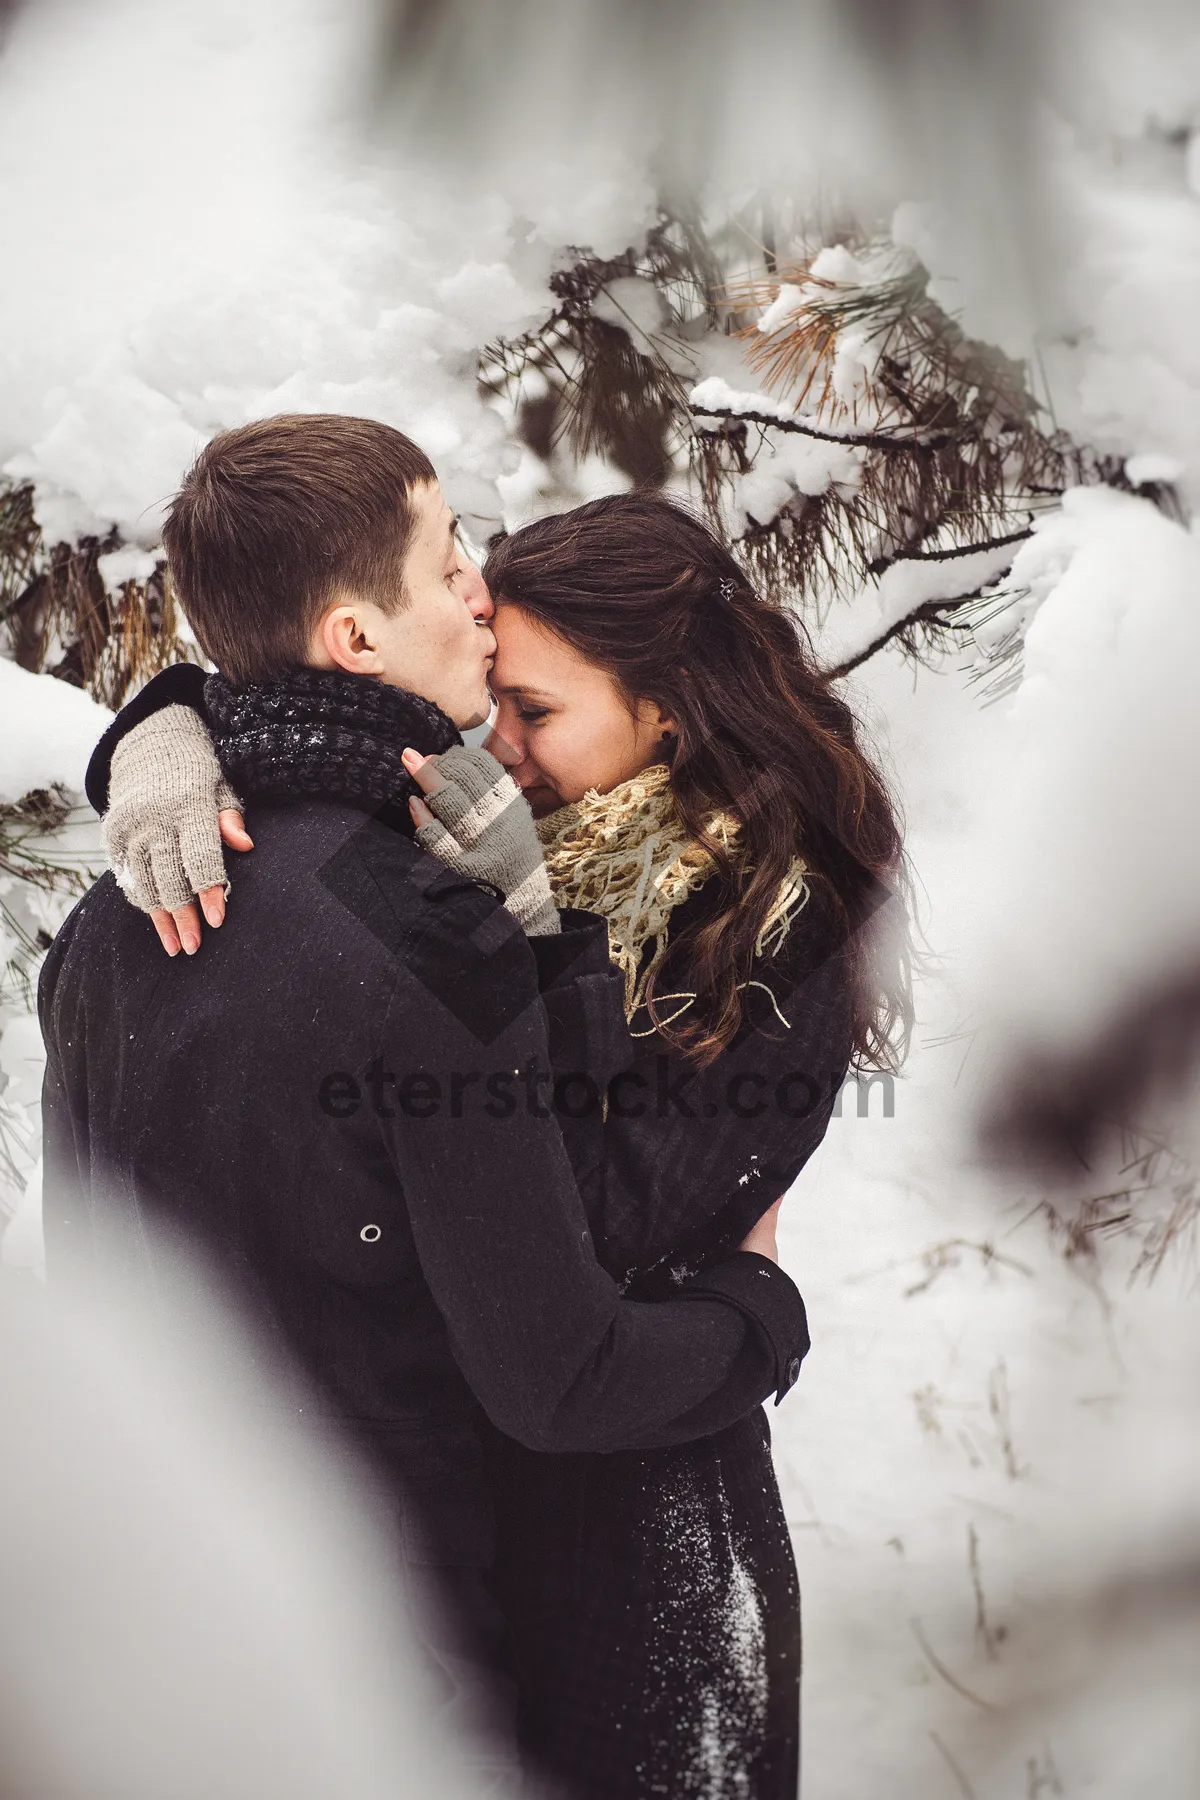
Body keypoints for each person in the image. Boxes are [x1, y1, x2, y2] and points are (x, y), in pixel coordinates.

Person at [85, 476, 910, 1796]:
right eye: (496, 699)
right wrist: (166, 729)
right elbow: (302, 678)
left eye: (534, 713)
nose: (500, 744)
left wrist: (761, 1304)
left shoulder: (774, 917)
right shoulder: (491, 847)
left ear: (667, 705)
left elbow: (599, 1231)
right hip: (486, 1515)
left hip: (639, 1526)